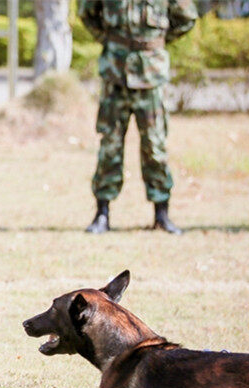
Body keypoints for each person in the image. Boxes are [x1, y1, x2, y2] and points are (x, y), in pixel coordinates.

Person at [79, 0, 198, 235]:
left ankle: (161, 214)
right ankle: (102, 213)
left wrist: (156, 42)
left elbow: (187, 17)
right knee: (110, 146)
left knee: (154, 145)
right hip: (115, 74)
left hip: (150, 76)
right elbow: (87, 14)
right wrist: (111, 42)